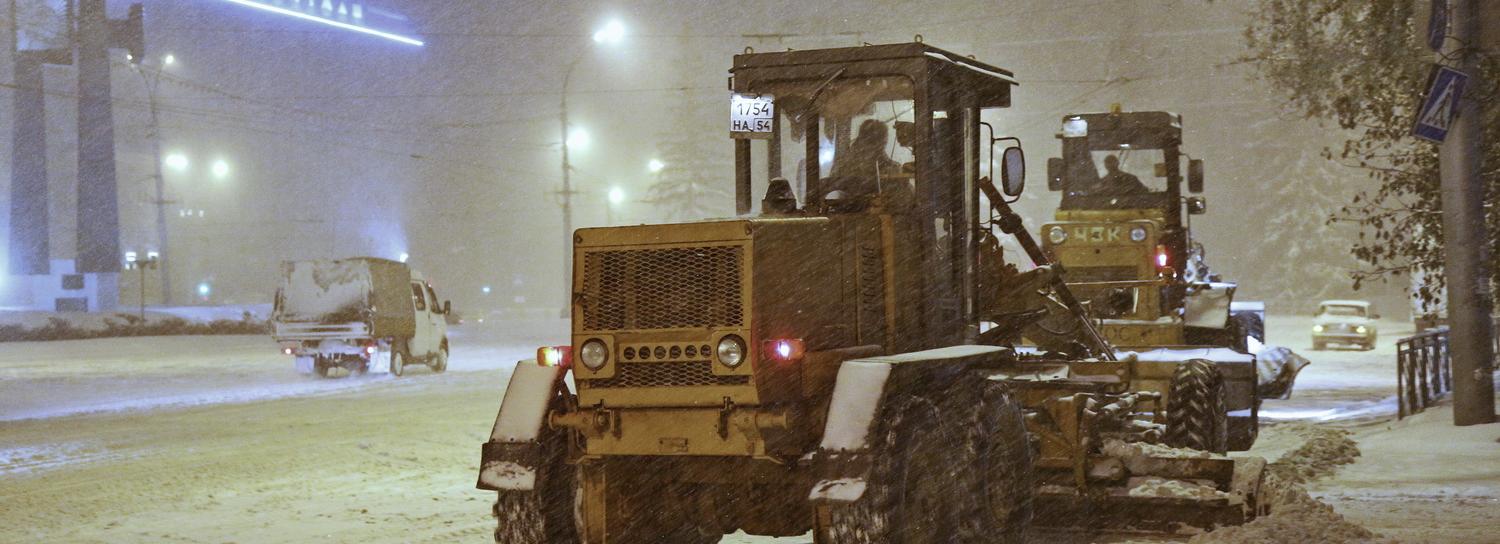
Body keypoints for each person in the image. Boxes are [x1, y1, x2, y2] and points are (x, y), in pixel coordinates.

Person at [830, 119, 900, 197]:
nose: (880, 149)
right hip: (851, 205)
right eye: (872, 143)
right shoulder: (845, 163)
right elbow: (835, 184)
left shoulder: (890, 165)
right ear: (862, 140)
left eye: (883, 144)